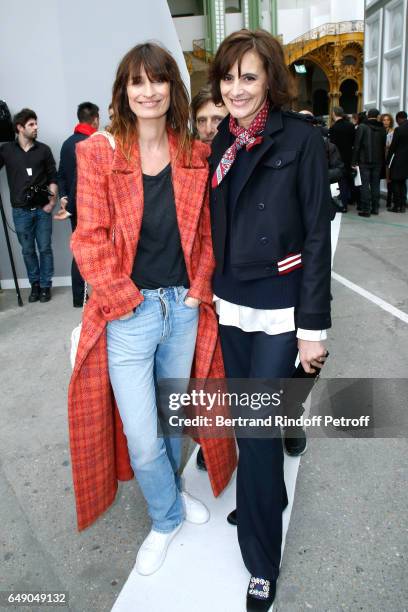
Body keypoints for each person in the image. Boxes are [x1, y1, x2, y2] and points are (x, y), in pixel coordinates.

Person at [68, 42, 236, 576]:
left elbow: (207, 236)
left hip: (181, 308)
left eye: (158, 81)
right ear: (123, 92)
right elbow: (89, 238)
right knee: (141, 435)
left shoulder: (194, 153)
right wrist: (124, 301)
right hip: (129, 312)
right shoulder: (98, 154)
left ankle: (167, 503)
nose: (148, 91)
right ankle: (165, 517)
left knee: (168, 420)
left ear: (172, 89)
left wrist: (195, 289)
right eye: (136, 82)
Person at [208, 29, 331, 611]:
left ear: (270, 81)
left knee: (257, 431)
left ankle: (261, 560)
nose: (237, 88)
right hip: (230, 301)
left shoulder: (301, 140)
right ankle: (264, 496)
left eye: (249, 76)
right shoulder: (219, 144)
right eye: (228, 77)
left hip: (280, 305)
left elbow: (315, 235)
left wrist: (314, 325)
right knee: (247, 426)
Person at [190, 86, 228, 472]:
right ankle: (212, 442)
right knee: (209, 367)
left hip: (248, 278)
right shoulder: (190, 161)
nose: (208, 127)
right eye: (201, 120)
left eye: (216, 119)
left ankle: (286, 421)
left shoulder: (247, 153)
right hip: (202, 282)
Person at [0, 108, 57, 302]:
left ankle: (45, 286)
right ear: (19, 128)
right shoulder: (6, 150)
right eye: (31, 124)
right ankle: (34, 285)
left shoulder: (43, 150)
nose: (36, 127)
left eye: (36, 123)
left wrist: (52, 202)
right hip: (20, 211)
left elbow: (53, 177)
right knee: (27, 250)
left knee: (45, 248)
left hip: (42, 210)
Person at [55, 102, 100, 306]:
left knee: (79, 251)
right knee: (96, 251)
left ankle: (78, 297)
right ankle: (91, 296)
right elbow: (81, 179)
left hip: (73, 209)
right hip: (91, 207)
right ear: (96, 120)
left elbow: (61, 174)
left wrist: (64, 197)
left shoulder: (66, 143)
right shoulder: (94, 143)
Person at [352, 107, 386, 217]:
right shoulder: (382, 128)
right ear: (377, 116)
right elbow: (383, 145)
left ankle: (366, 209)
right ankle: (375, 208)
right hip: (378, 161)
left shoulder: (362, 127)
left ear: (368, 115)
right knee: (376, 184)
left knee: (365, 185)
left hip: (364, 160)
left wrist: (354, 161)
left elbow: (357, 145)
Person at [329, 106, 355, 212]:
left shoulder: (333, 128)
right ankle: (349, 199)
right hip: (349, 156)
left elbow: (331, 145)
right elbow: (354, 142)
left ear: (334, 114)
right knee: (349, 179)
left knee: (342, 182)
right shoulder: (350, 126)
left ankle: (343, 205)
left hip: (337, 157)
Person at [386, 110, 408, 213]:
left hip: (399, 159)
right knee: (403, 182)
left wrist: (387, 160)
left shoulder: (399, 130)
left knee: (395, 181)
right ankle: (403, 205)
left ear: (399, 119)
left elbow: (393, 147)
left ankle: (396, 206)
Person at [380, 113, 395, 209]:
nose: (386, 122)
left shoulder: (393, 132)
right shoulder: (380, 131)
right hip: (379, 157)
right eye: (384, 120)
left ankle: (389, 200)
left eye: (388, 120)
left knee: (389, 179)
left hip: (388, 158)